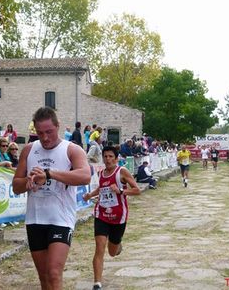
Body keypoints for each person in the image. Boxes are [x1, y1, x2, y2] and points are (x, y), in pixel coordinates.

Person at [12, 107, 90, 289]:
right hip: (35, 219)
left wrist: (49, 174)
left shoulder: (72, 150)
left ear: (58, 126)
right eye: (40, 133)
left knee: (54, 273)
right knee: (44, 277)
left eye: (49, 132)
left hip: (61, 219)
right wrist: (29, 181)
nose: (45, 137)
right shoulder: (29, 150)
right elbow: (16, 186)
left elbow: (85, 176)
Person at [83, 146, 140, 290]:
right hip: (101, 214)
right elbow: (101, 189)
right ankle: (97, 283)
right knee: (99, 248)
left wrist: (121, 190)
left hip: (118, 216)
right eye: (105, 156)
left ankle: (117, 244)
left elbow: (137, 190)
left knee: (112, 252)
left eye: (110, 157)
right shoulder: (101, 173)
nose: (107, 159)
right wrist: (90, 195)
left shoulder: (122, 172)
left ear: (116, 159)